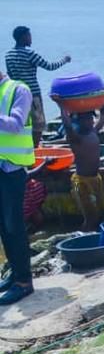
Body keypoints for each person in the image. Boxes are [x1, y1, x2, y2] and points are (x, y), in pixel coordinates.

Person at [0, 68, 36, 305]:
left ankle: (24, 282)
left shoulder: (19, 89)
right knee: (4, 226)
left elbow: (15, 124)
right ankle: (15, 273)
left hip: (12, 169)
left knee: (14, 225)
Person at [5, 26, 71, 147]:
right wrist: (65, 60)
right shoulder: (29, 54)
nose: (31, 39)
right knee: (38, 124)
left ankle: (24, 146)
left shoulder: (8, 55)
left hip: (16, 94)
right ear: (23, 37)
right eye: (29, 36)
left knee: (23, 123)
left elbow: (10, 74)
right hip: (32, 94)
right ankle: (34, 149)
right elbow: (50, 66)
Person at [59, 104, 104, 231]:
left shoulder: (93, 132)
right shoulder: (75, 138)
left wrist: (101, 101)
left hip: (95, 179)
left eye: (91, 118)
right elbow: (67, 125)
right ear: (80, 121)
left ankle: (93, 234)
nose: (90, 121)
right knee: (89, 217)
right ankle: (84, 235)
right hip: (81, 182)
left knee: (98, 213)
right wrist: (61, 106)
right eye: (86, 119)